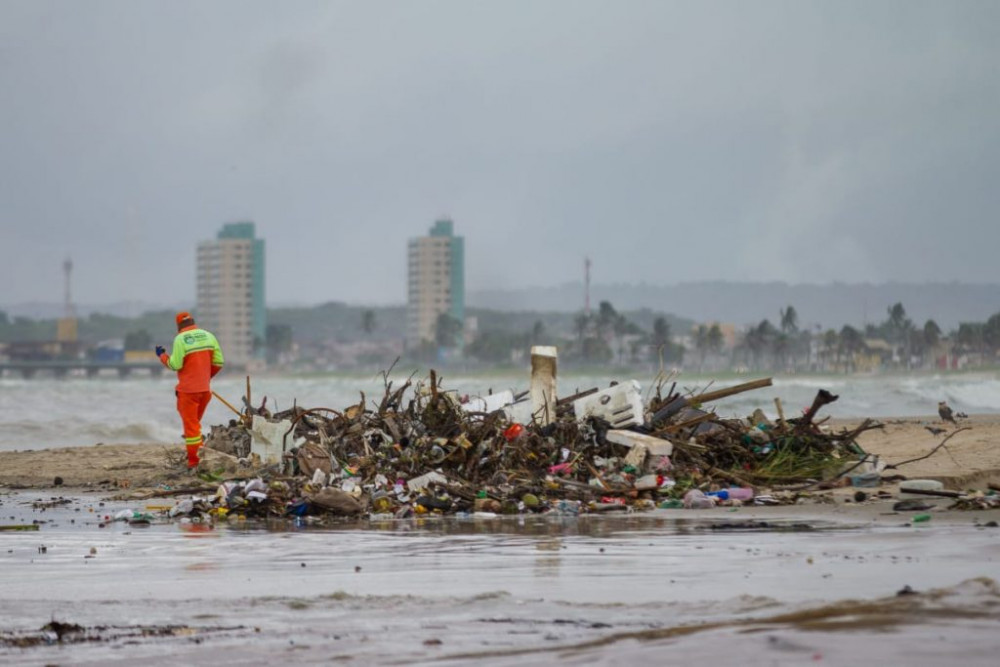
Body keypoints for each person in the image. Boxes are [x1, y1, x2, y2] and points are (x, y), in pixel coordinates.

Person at [156, 311, 224, 469]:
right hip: (205, 392)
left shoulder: (180, 339)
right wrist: (206, 377)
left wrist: (162, 356)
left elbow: (175, 365)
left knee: (191, 429)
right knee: (194, 426)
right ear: (193, 322)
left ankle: (194, 462)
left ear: (178, 326)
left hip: (188, 393)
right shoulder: (209, 335)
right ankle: (196, 454)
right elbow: (219, 362)